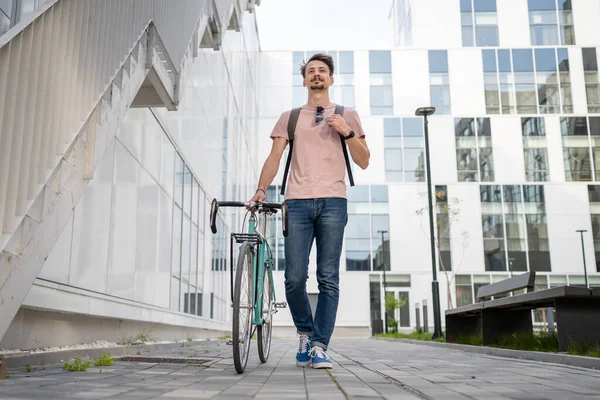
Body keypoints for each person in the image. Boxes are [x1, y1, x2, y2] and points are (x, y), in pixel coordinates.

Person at [248, 53, 370, 369]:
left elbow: (364, 159)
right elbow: (275, 157)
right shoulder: (290, 117)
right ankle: (304, 331)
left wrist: (346, 130)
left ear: (331, 79)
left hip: (334, 201)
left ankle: (319, 345)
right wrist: (261, 190)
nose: (317, 74)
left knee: (328, 278)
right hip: (297, 202)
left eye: (322, 71)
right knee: (293, 278)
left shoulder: (348, 114)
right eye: (311, 71)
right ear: (304, 81)